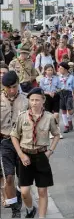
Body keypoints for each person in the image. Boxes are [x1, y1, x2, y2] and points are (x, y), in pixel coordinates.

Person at [10, 87, 61, 218]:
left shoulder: (49, 117)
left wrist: (50, 151)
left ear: (43, 101)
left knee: (42, 190)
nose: (34, 103)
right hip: (25, 156)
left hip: (41, 155)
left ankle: (42, 217)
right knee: (24, 191)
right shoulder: (22, 117)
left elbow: (56, 134)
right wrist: (21, 155)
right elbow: (14, 136)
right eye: (32, 100)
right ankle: (30, 208)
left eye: (37, 100)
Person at [0, 71, 28, 218]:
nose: (12, 90)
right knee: (9, 177)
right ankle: (15, 210)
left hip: (23, 143)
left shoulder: (26, 100)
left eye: (15, 86)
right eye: (8, 87)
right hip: (4, 142)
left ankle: (18, 193)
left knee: (22, 178)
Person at [39, 64, 62, 139]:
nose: (50, 71)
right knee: (48, 115)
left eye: (51, 70)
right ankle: (50, 132)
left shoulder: (56, 78)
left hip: (55, 97)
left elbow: (60, 88)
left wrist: (54, 92)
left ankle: (58, 131)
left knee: (56, 114)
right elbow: (41, 90)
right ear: (45, 71)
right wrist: (48, 93)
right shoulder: (42, 79)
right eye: (48, 70)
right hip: (47, 98)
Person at [58, 62, 74, 133]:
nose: (59, 69)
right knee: (63, 110)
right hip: (61, 93)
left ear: (65, 69)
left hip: (69, 93)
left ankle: (70, 121)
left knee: (70, 111)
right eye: (59, 68)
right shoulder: (58, 77)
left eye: (61, 68)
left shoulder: (71, 77)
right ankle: (66, 126)